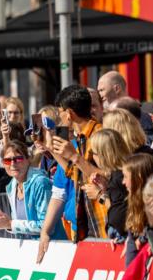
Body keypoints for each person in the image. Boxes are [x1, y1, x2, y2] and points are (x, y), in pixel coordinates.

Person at [37, 85, 106, 261]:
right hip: (83, 226)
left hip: (102, 224)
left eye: (60, 112)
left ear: (69, 114)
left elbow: (107, 176)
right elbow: (73, 175)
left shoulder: (100, 136)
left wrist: (75, 157)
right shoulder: (78, 140)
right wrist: (52, 150)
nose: (60, 117)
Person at [0, 140, 63, 239]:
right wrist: (7, 224)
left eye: (18, 159)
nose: (13, 164)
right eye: (7, 160)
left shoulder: (41, 183)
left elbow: (47, 226)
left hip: (53, 247)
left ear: (28, 159)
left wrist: (11, 224)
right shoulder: (12, 186)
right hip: (28, 249)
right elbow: (18, 226)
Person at [121, 153, 153, 263]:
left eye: (125, 177)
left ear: (138, 177)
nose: (123, 182)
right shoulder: (134, 202)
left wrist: (144, 239)